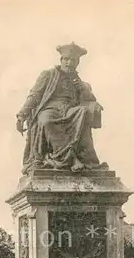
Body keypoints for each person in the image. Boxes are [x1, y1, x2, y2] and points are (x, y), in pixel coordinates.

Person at [16, 42, 105, 175]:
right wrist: (22, 115)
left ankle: (83, 159)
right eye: (66, 59)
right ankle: (70, 159)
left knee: (82, 112)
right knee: (46, 121)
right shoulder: (49, 74)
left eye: (73, 60)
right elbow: (34, 95)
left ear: (77, 63)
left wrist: (84, 90)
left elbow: (90, 100)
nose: (69, 63)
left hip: (70, 109)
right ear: (61, 60)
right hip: (50, 109)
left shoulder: (80, 82)